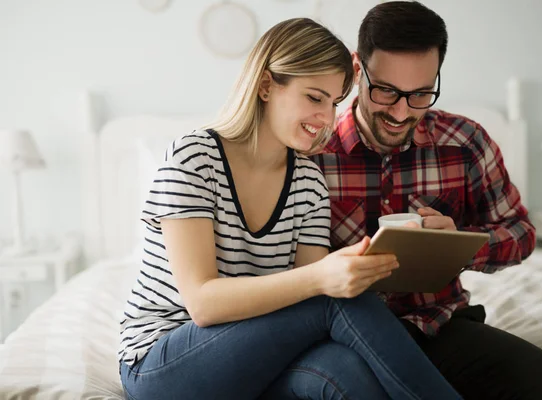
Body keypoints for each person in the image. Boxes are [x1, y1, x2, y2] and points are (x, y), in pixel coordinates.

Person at [118, 17, 462, 400]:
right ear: (266, 85)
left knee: (342, 369)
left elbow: (303, 306)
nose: (327, 119)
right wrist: (325, 278)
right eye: (315, 98)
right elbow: (202, 303)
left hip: (256, 358)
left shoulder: (308, 183)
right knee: (332, 296)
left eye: (334, 104)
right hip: (162, 364)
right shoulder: (194, 158)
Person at [309, 2, 542, 399]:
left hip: (436, 326)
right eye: (386, 91)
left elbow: (521, 233)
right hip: (341, 340)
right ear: (357, 70)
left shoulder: (465, 142)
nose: (401, 112)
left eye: (420, 94)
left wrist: (461, 243)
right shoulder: (311, 148)